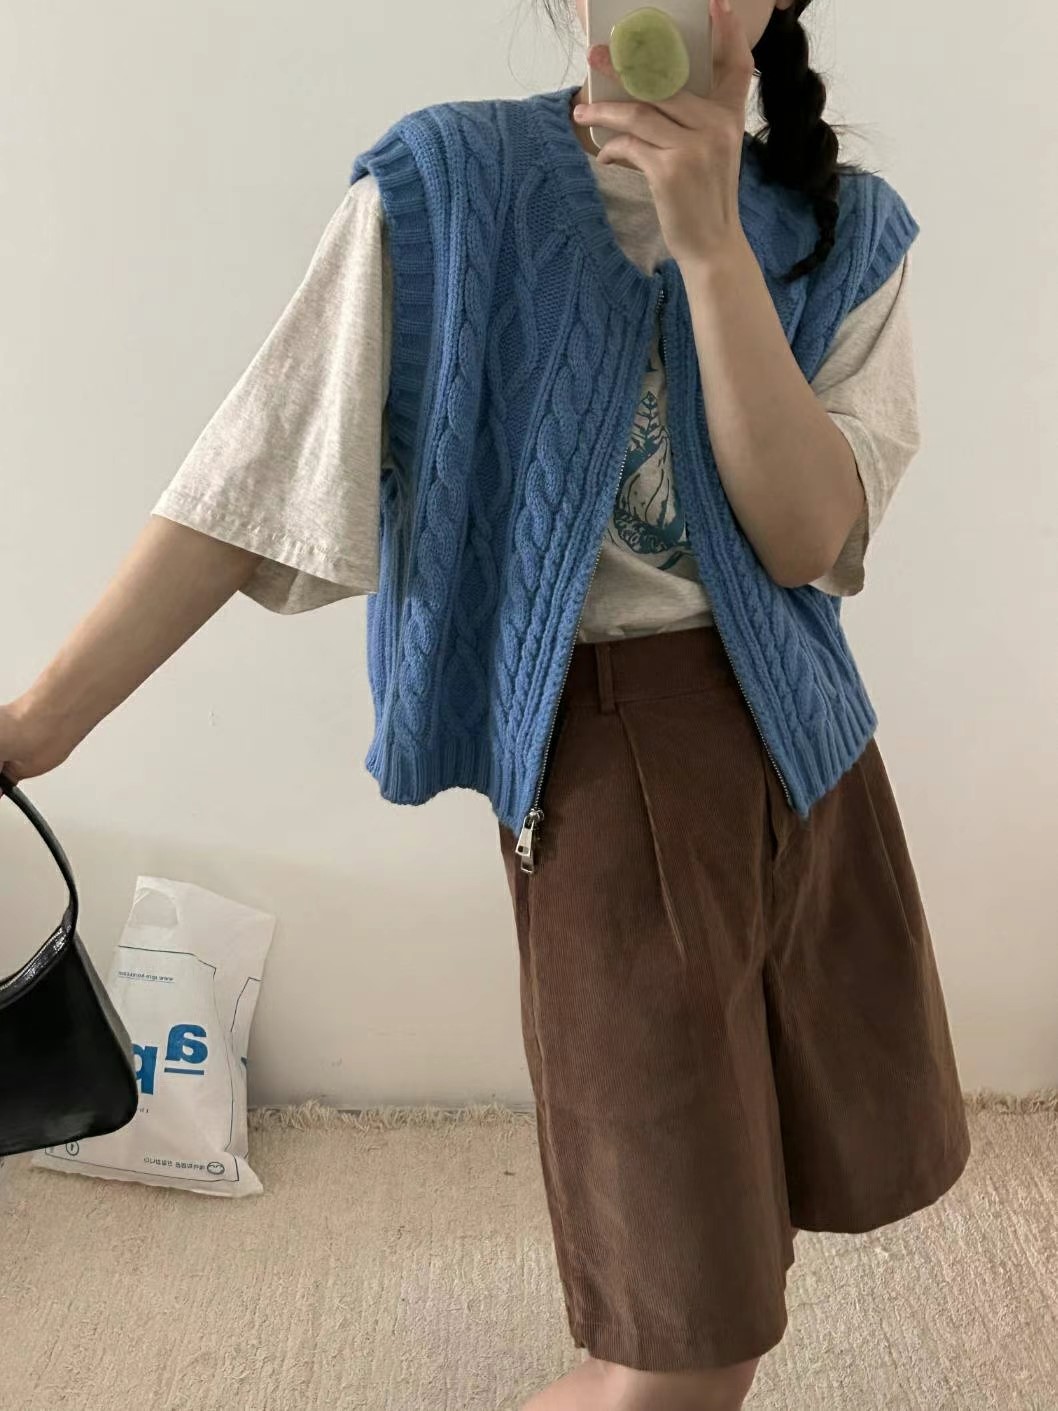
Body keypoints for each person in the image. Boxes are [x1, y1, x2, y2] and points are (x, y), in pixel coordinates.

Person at [0, 0, 972, 1406]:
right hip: (610, 774)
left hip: (816, 766)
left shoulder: (843, 224)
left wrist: (710, 245)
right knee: (678, 1342)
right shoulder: (445, 188)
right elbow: (248, 483)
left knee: (722, 1280)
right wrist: (36, 725)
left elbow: (805, 537)